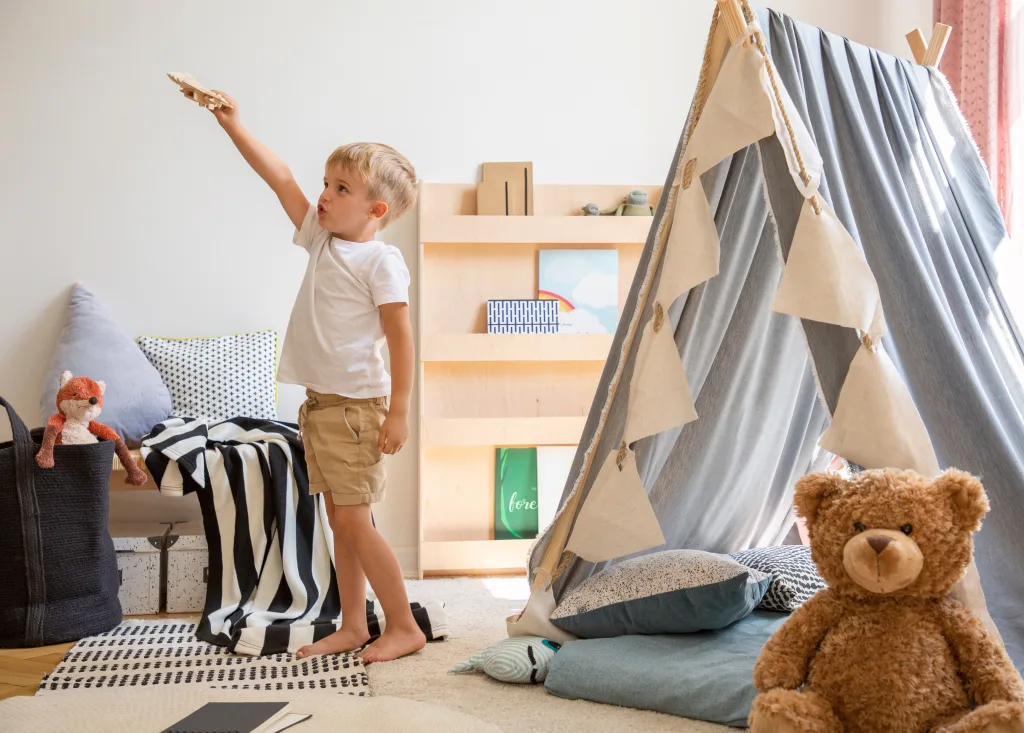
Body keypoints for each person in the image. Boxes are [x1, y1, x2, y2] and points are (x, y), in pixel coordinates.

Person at [209, 92, 424, 663]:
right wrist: (234, 123)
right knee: (341, 523)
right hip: (322, 407)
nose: (324, 196)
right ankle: (354, 624)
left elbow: (401, 337)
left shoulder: (381, 262)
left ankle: (402, 625)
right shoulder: (321, 238)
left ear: (376, 211)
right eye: (326, 183)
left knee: (355, 522)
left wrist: (399, 409)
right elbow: (279, 177)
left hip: (357, 411)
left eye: (341, 189)